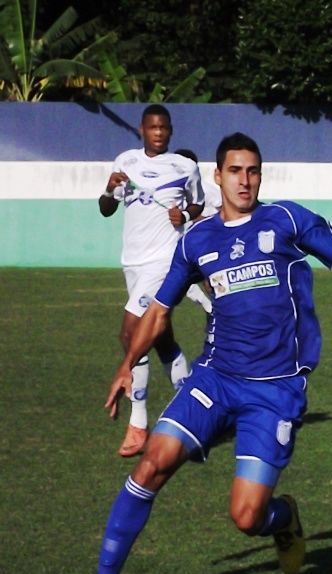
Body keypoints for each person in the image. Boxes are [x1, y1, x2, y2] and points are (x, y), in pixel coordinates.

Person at [56, 132, 332, 574]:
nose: (245, 180)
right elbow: (159, 311)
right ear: (217, 175)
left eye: (253, 170)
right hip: (215, 379)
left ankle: (283, 518)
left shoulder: (284, 219)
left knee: (246, 517)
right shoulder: (197, 239)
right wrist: (124, 364)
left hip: (275, 389)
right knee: (151, 463)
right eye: (236, 171)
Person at [101, 105, 206, 458]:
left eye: (164, 127)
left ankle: (139, 424)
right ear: (142, 129)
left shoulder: (184, 167)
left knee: (130, 334)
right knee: (161, 340)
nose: (158, 132)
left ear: (170, 131)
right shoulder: (126, 162)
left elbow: (198, 205)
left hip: (164, 261)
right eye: (152, 127)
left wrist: (185, 214)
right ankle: (195, 415)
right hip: (132, 262)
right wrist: (107, 190)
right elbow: (106, 208)